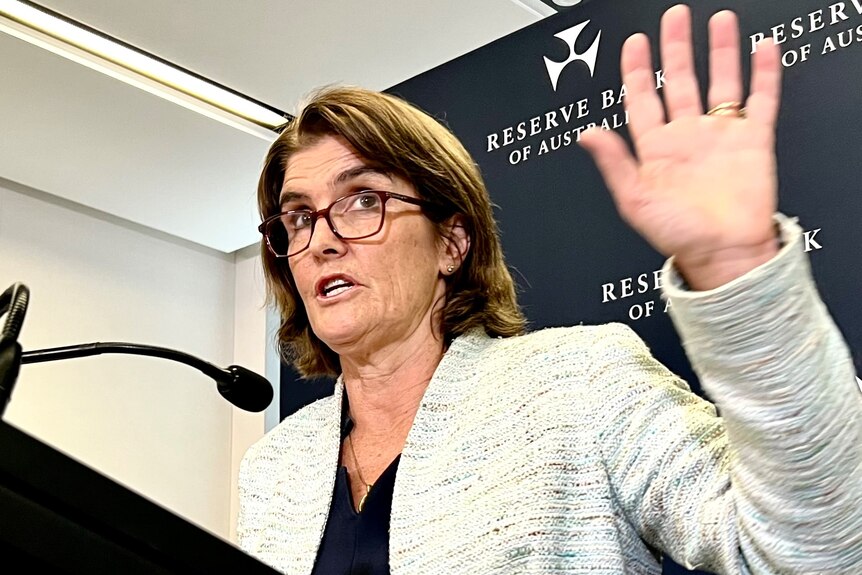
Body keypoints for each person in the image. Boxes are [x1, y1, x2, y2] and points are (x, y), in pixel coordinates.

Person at [237, 5, 862, 574]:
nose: (320, 240)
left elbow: (818, 545)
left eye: (362, 200)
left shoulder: (581, 385)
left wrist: (737, 265)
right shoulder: (276, 465)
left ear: (452, 242)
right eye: (297, 216)